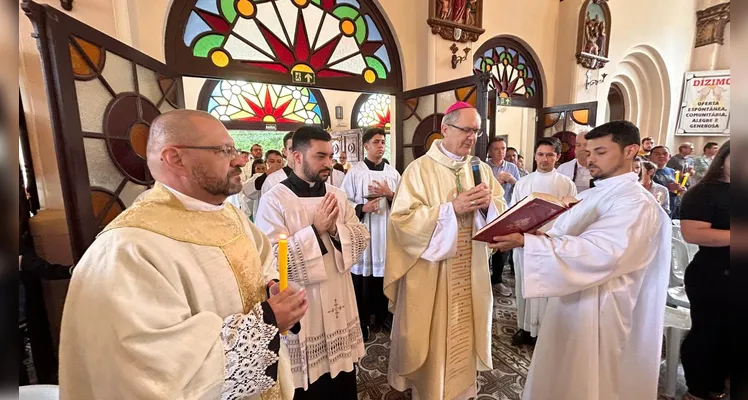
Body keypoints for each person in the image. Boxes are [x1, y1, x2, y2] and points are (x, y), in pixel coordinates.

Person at [58, 110, 308, 399]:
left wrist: (272, 287)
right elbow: (151, 371)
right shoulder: (127, 248)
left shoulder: (228, 214)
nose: (240, 159)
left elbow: (262, 261)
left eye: (236, 150)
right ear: (175, 158)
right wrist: (267, 319)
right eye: (225, 150)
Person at [489, 120, 671, 400]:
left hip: (602, 307)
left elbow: (603, 253)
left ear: (630, 151)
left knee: (589, 383)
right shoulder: (593, 193)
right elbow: (565, 232)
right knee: (562, 376)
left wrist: (529, 242)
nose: (590, 159)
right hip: (571, 300)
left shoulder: (636, 203)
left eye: (600, 151)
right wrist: (541, 234)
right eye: (588, 151)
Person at [385, 101, 506, 400]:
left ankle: (461, 390)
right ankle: (427, 389)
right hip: (432, 274)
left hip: (470, 269)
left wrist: (489, 205)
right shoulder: (419, 170)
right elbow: (402, 222)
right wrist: (451, 210)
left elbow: (500, 210)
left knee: (465, 333)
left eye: (476, 131)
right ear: (445, 129)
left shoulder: (479, 168)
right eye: (466, 130)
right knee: (429, 335)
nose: (472, 137)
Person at [254, 126, 370, 400]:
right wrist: (315, 231)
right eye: (320, 156)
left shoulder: (337, 195)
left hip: (339, 295)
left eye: (330, 156)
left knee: (342, 382)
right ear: (296, 156)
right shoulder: (275, 200)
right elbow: (269, 260)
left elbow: (360, 237)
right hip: (304, 304)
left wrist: (334, 232)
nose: (328, 163)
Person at [509, 137, 577, 347]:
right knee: (524, 285)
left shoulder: (566, 184)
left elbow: (572, 216)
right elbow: (512, 212)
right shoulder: (523, 182)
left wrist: (552, 235)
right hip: (525, 243)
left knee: (547, 288)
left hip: (551, 244)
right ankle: (525, 327)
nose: (544, 159)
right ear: (535, 156)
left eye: (549, 155)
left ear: (557, 157)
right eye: (540, 154)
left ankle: (545, 332)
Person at [679, 141, 730, 400]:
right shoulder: (705, 192)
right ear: (723, 159)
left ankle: (720, 385)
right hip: (715, 274)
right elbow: (692, 233)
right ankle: (699, 389)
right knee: (709, 332)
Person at [341, 128, 401, 340]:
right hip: (365, 231)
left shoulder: (393, 174)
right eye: (376, 142)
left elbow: (405, 204)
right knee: (363, 279)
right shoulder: (355, 172)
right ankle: (362, 320)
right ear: (366, 146)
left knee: (384, 275)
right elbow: (343, 201)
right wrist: (362, 208)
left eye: (383, 142)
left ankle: (384, 315)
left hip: (386, 233)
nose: (381, 145)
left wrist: (390, 194)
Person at [485, 137, 520, 295]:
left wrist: (512, 181)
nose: (501, 152)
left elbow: (520, 189)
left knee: (502, 247)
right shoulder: (484, 167)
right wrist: (497, 183)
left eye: (503, 148)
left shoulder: (512, 167)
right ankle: (483, 280)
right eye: (496, 149)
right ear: (490, 151)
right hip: (486, 212)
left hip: (506, 211)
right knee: (485, 246)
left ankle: (497, 280)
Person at [650, 145, 686, 218]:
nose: (661, 156)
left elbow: (677, 186)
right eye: (657, 154)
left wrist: (680, 189)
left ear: (669, 157)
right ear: (650, 157)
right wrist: (667, 188)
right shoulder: (647, 171)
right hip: (654, 207)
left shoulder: (672, 171)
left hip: (671, 204)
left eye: (664, 154)